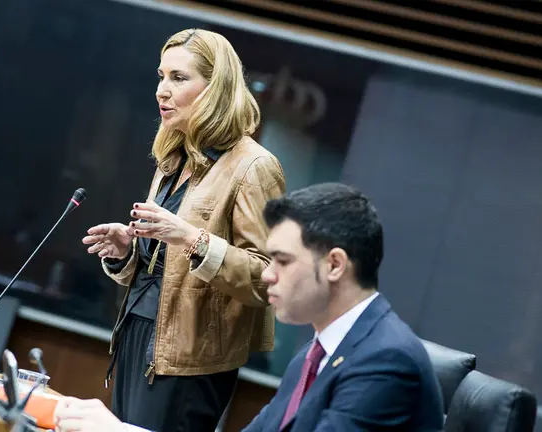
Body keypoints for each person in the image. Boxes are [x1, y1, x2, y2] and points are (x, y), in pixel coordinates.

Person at [56, 182, 445, 431]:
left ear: (335, 265)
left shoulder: (386, 361)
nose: (268, 276)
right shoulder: (316, 354)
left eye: (283, 261)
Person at [81, 28, 286, 431]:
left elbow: (267, 276)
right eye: (161, 76)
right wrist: (127, 252)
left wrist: (190, 237)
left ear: (217, 88)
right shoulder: (173, 158)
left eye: (178, 78)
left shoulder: (253, 167)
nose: (161, 89)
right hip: (137, 336)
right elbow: (163, 266)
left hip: (191, 360)